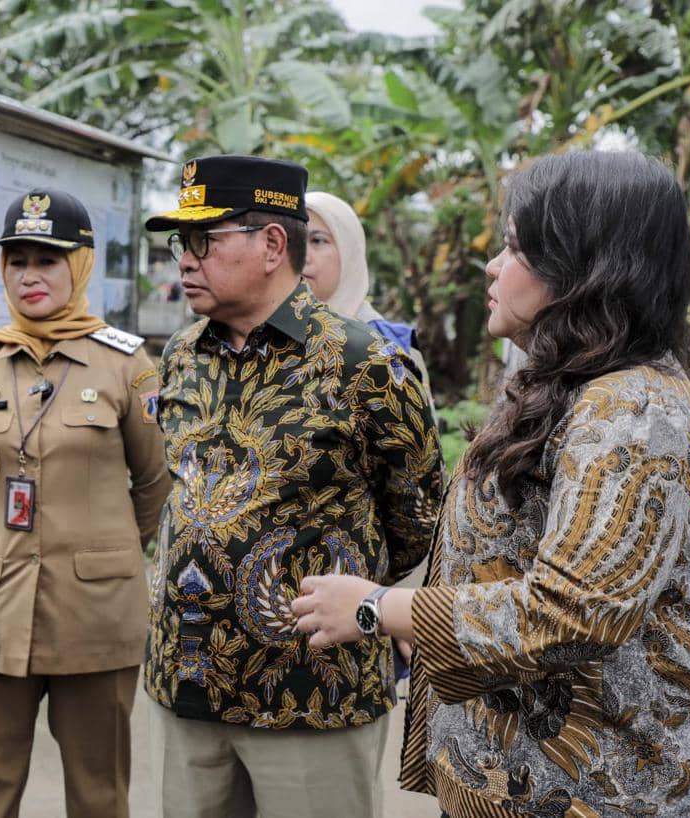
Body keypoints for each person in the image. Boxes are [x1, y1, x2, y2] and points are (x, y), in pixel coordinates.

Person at [293, 150, 690, 817]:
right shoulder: (569, 383)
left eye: (516, 249)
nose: (493, 268)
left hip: (589, 795)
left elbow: (573, 612)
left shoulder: (637, 415)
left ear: (583, 266)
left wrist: (379, 607)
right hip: (514, 777)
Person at [142, 155, 443, 818]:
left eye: (204, 241)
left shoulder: (366, 362)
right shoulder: (181, 353)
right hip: (189, 683)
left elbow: (418, 514)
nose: (185, 261)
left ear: (273, 244)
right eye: (179, 244)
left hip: (312, 694)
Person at [0, 188, 170, 818]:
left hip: (96, 614)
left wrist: (108, 553)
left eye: (47, 259)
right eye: (17, 260)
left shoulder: (128, 366)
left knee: (100, 794)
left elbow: (153, 482)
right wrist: (0, 550)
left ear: (80, 264)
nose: (29, 276)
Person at [303, 190, 430, 385]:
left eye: (318, 241)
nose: (302, 255)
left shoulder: (387, 344)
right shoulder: (261, 337)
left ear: (349, 253)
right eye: (293, 241)